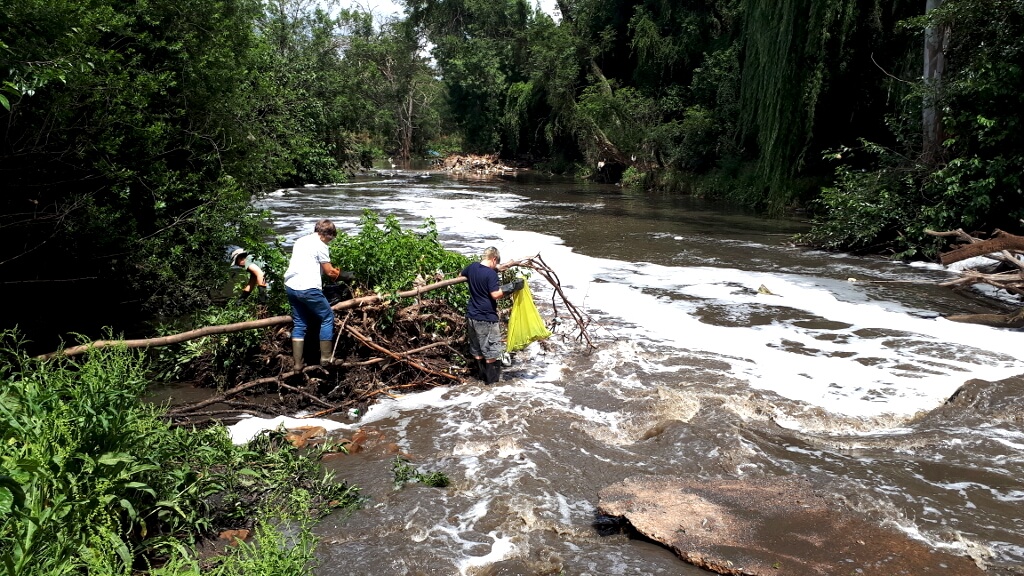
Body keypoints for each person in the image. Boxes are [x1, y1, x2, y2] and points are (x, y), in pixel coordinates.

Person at [284, 219, 342, 370]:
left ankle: (297, 364)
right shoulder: (321, 245)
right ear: (325, 235)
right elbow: (330, 272)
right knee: (327, 317)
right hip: (308, 288)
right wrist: (345, 275)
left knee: (300, 323)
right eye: (331, 238)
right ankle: (326, 358)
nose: (330, 242)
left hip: (291, 286)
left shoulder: (301, 241)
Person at [461, 246, 524, 384]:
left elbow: (462, 275)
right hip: (486, 318)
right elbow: (495, 295)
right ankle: (492, 386)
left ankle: (481, 380)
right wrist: (512, 286)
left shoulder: (472, 267)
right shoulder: (491, 275)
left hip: (471, 315)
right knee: (491, 353)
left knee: (477, 351)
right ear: (494, 259)